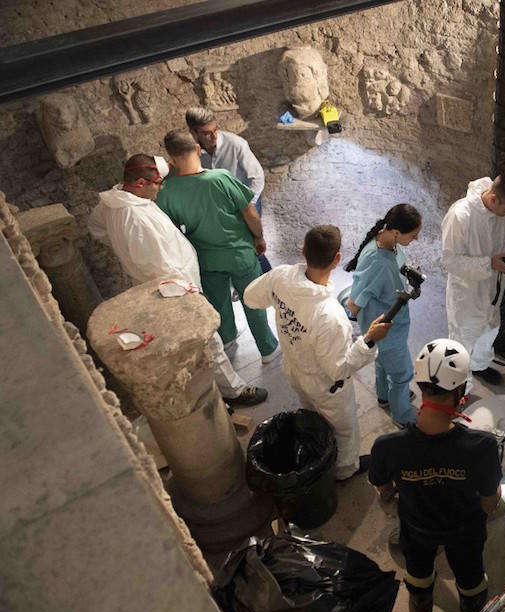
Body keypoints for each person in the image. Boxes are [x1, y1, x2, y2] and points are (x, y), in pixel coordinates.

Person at [89, 154, 267, 406]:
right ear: (140, 182)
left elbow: (96, 228)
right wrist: (188, 291)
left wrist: (119, 246)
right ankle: (233, 392)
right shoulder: (135, 219)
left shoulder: (114, 202)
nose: (160, 189)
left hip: (171, 284)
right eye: (157, 184)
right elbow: (157, 266)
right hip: (174, 291)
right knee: (206, 341)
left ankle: (214, 392)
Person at [369, 339, 502, 612]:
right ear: (460, 391)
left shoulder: (386, 447)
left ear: (418, 385)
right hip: (466, 533)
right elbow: (490, 503)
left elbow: (384, 490)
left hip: (416, 531)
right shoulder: (482, 446)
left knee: (418, 581)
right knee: (472, 584)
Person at [243, 225, 391, 480]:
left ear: (303, 251)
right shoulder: (330, 316)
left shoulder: (280, 277)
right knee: (344, 429)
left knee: (312, 414)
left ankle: (318, 448)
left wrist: (284, 305)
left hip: (294, 369)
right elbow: (338, 369)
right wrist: (368, 341)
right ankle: (344, 470)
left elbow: (250, 297)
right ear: (337, 259)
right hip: (326, 387)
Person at [156, 129, 280, 363]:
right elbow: (249, 211)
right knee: (252, 298)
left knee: (218, 300)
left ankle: (227, 338)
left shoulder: (167, 192)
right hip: (238, 253)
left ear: (172, 159)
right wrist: (259, 237)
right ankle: (267, 348)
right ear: (197, 149)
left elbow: (172, 229)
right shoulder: (220, 178)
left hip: (205, 257)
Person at [441, 174, 505, 387]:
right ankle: (457, 386)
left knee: (490, 328)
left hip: (493, 286)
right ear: (493, 199)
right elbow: (451, 261)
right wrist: (489, 264)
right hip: (466, 292)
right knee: (463, 337)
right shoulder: (460, 216)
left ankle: (479, 365)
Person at [345, 204, 423, 427]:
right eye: (414, 235)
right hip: (387, 327)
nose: (416, 239)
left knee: (382, 361)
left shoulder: (383, 238)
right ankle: (403, 415)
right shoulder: (378, 262)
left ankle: (384, 396)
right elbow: (353, 303)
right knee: (401, 373)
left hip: (386, 324)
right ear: (397, 232)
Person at [185, 106, 271, 273]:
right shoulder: (192, 152)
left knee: (252, 242)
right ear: (194, 133)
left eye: (215, 129)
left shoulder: (236, 144)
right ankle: (245, 278)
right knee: (234, 245)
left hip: (247, 200)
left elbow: (257, 177)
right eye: (207, 133)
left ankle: (267, 278)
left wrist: (247, 206)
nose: (214, 136)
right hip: (221, 206)